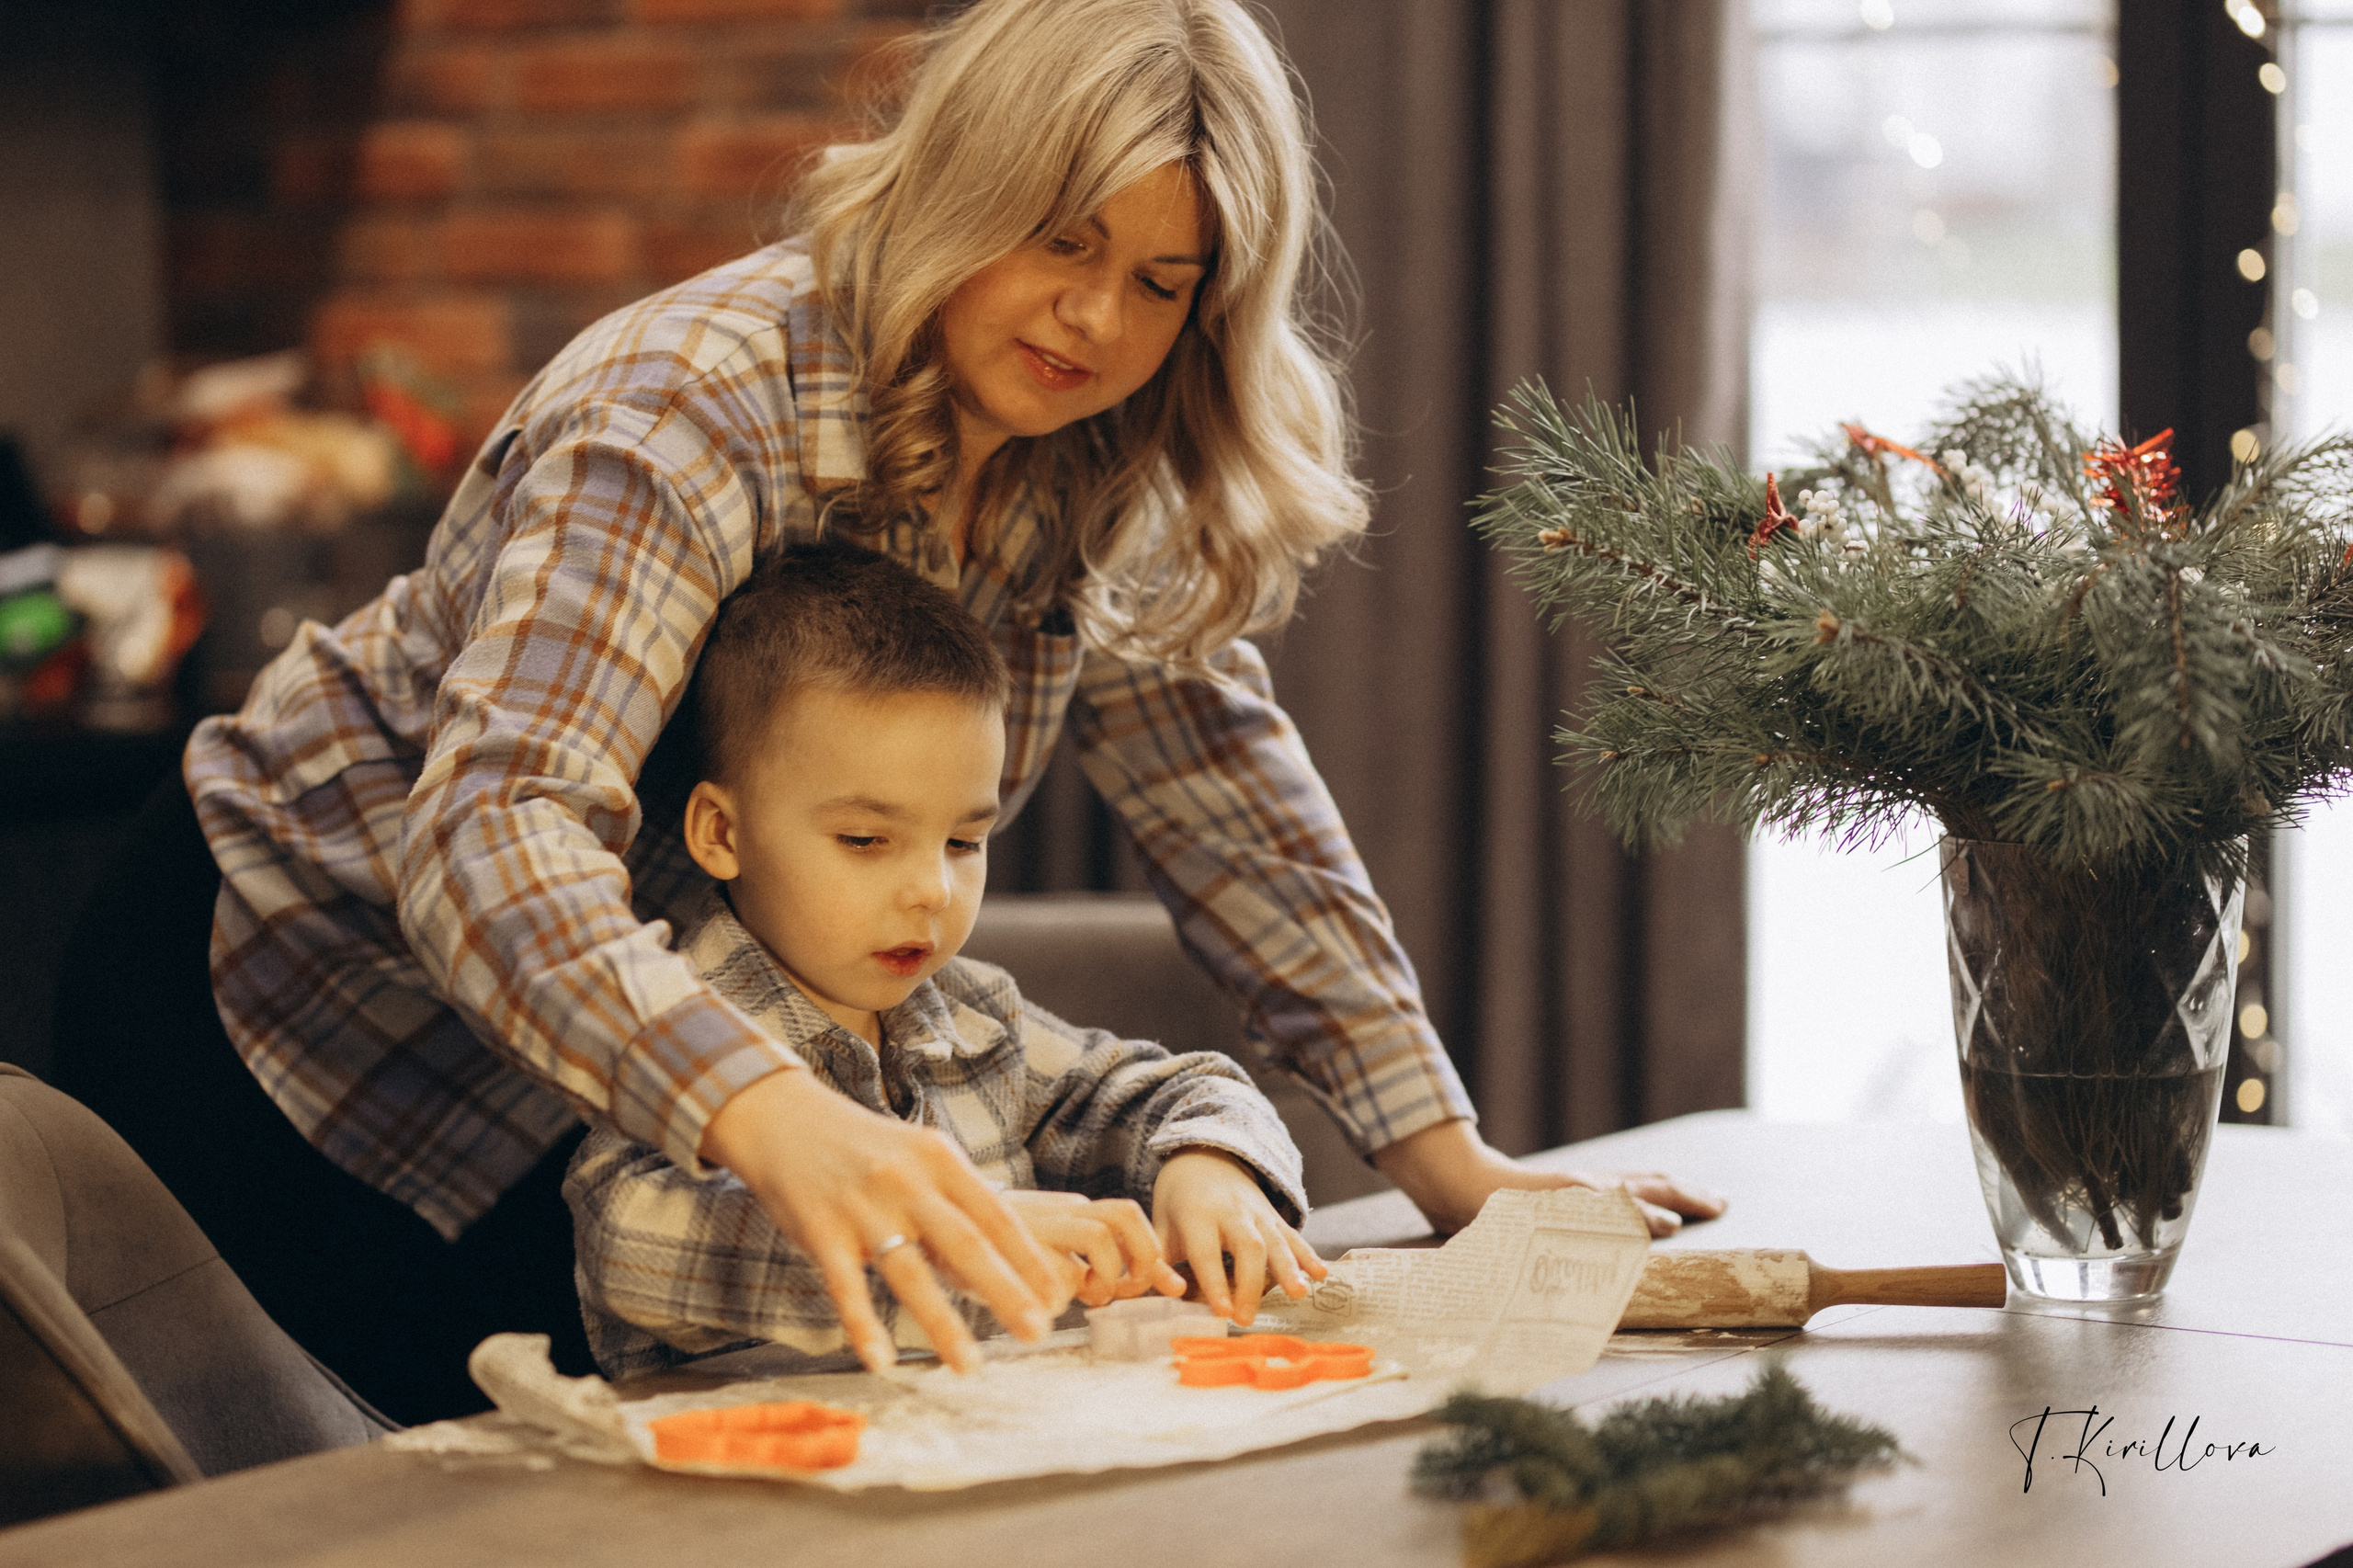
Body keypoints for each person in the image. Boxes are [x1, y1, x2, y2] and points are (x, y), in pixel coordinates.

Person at [52, 0, 1718, 1424]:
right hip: (295, 999)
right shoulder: (692, 408)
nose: (1098, 321)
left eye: (1161, 280)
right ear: (962, 178)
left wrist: (1451, 1167)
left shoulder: (1083, 453)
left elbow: (1225, 785)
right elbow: (496, 830)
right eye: (1063, 240)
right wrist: (785, 1123)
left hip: (606, 1065)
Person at [569, 540, 1323, 1378]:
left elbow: (1182, 1087)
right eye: (865, 840)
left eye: (965, 839)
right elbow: (631, 1238)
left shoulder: (975, 1017)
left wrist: (1208, 1163)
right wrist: (960, 1243)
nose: (931, 888)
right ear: (721, 832)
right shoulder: (672, 1032)